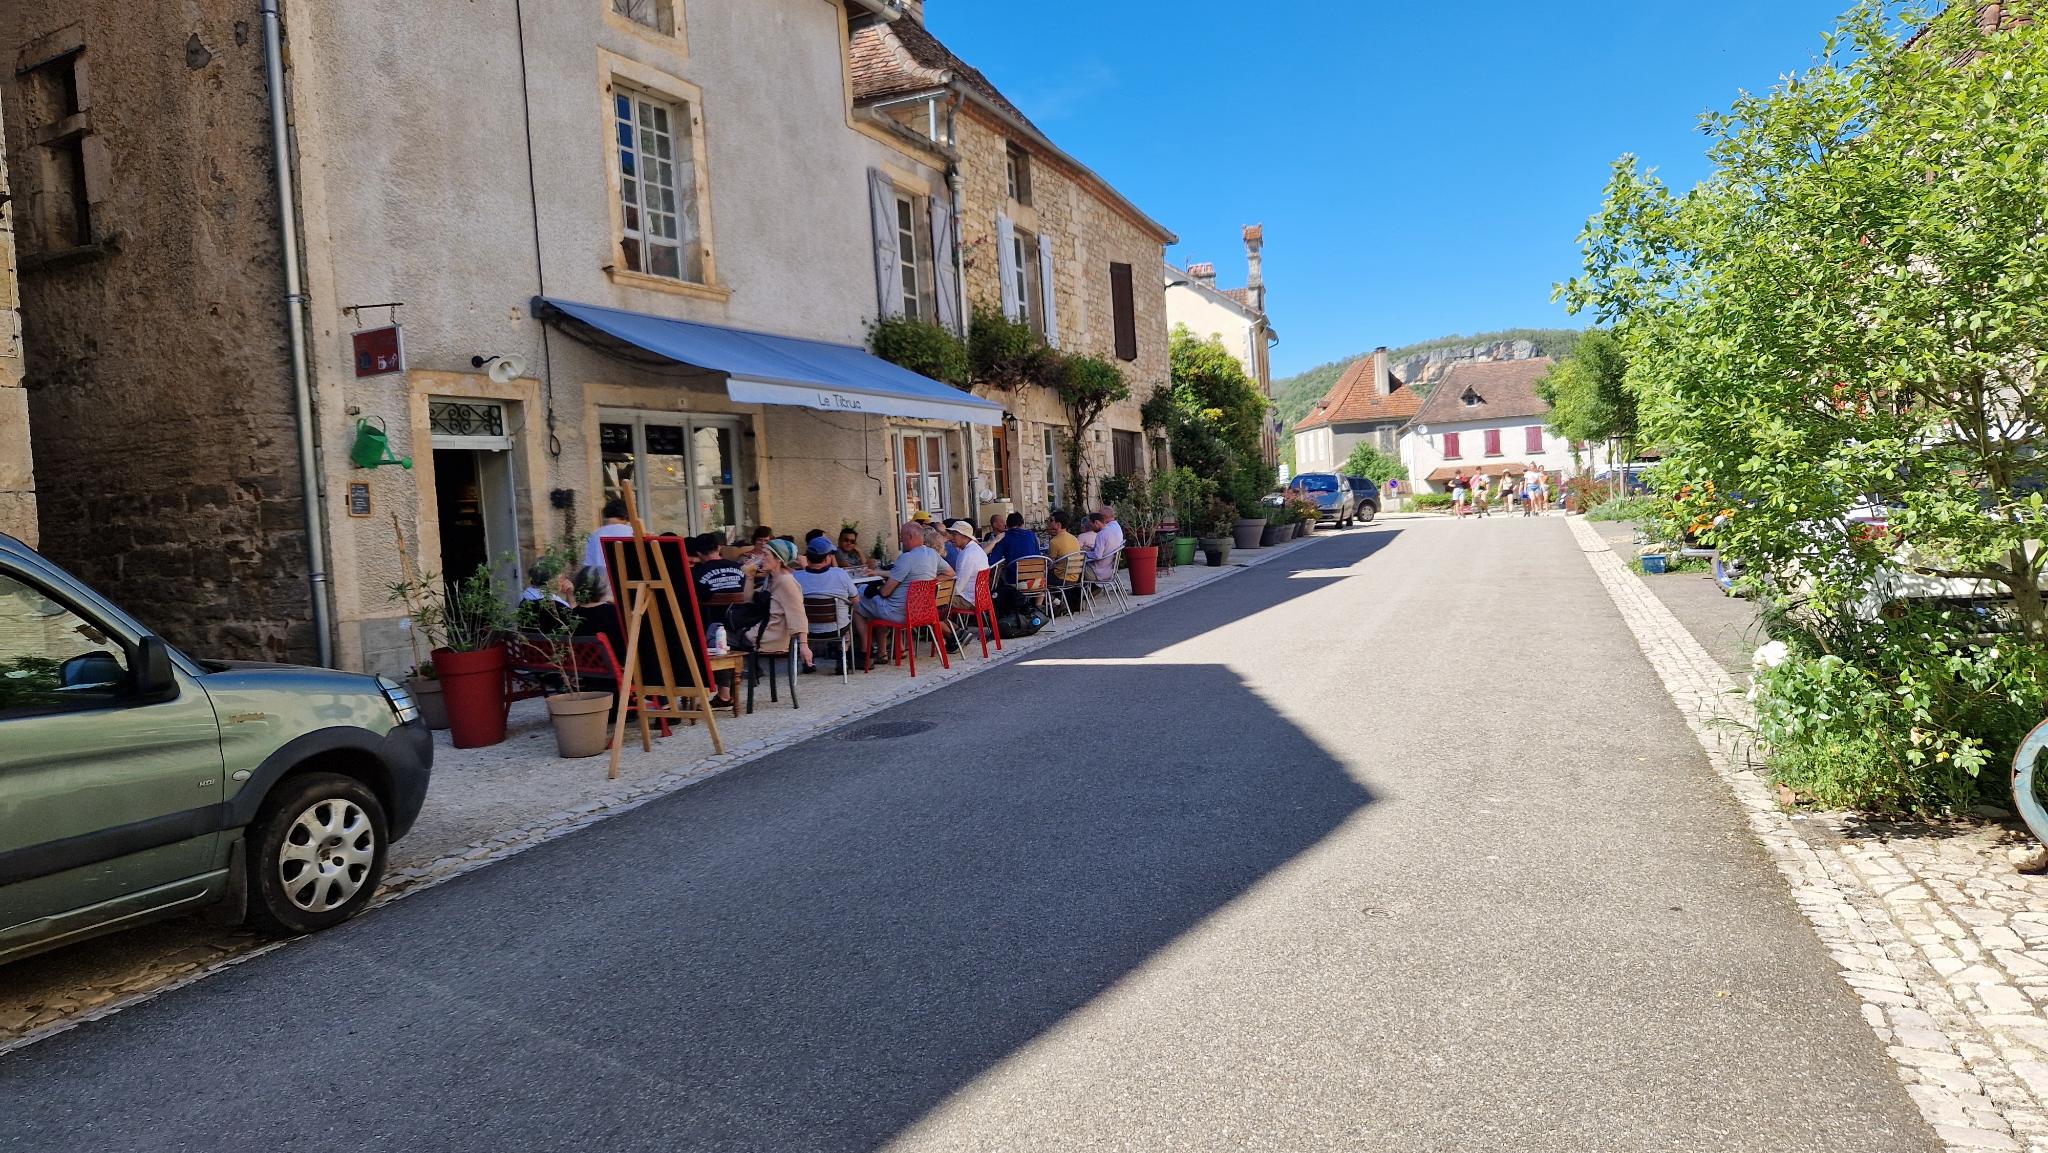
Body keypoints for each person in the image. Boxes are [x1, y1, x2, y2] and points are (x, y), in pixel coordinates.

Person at [731, 538, 812, 670]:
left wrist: (804, 645)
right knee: (720, 632)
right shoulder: (771, 578)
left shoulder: (786, 582)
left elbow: (798, 614)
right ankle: (738, 678)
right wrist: (750, 577)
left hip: (770, 637)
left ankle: (725, 686)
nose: (761, 558)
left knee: (717, 634)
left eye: (765, 554)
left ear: (779, 559)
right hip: (762, 630)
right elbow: (748, 602)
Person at [857, 522, 942, 628]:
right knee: (872, 605)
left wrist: (877, 587)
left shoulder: (907, 557)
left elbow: (884, 592)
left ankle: (864, 643)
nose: (901, 541)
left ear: (910, 536)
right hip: (921, 612)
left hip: (898, 615)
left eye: (902, 537)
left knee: (858, 596)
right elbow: (950, 573)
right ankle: (893, 644)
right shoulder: (932, 553)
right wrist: (931, 582)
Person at [688, 533, 745, 630]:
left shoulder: (697, 572)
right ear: (719, 548)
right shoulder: (737, 567)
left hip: (708, 624)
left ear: (698, 553)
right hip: (738, 621)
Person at [984, 511, 1040, 585]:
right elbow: (1037, 555)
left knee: (1000, 577)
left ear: (1007, 525)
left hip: (1015, 581)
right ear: (1022, 524)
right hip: (1036, 581)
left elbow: (992, 561)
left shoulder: (1004, 538)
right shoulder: (1032, 535)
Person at [582, 499, 635, 576]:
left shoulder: (594, 535)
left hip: (601, 583)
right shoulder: (633, 532)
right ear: (626, 516)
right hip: (631, 582)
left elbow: (588, 567)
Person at [945, 520, 989, 610]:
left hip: (969, 599)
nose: (951, 538)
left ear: (964, 536)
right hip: (979, 597)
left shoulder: (967, 554)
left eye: (954, 534)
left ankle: (950, 624)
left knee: (934, 601)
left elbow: (958, 588)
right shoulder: (975, 548)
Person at [1084, 505, 1124, 581]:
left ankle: (1092, 590)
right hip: (1111, 570)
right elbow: (1107, 548)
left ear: (1103, 517)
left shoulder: (1102, 533)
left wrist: (1084, 553)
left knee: (1073, 569)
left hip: (1098, 572)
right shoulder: (1117, 527)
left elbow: (1097, 555)